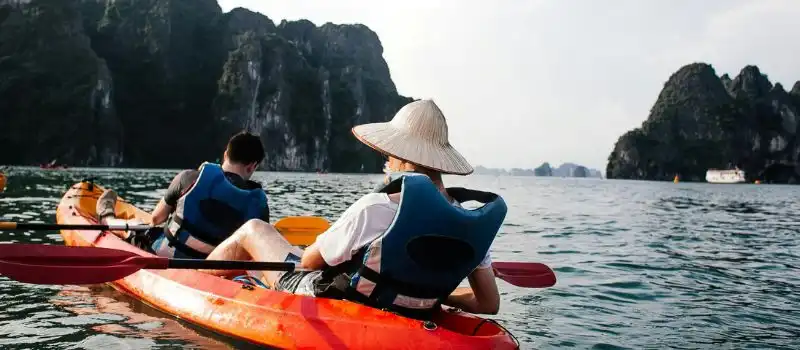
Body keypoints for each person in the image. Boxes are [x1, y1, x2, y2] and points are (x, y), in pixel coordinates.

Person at [204, 99, 507, 319]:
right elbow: (488, 304)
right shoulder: (471, 222)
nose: (386, 160)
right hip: (412, 306)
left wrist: (313, 247)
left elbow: (308, 263)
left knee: (255, 230)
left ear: (401, 156)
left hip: (342, 300)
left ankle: (196, 280)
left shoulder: (377, 207)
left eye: (389, 155)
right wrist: (430, 296)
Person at [95, 131, 271, 259]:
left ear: (226, 154)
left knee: (139, 226)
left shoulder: (189, 178)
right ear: (252, 166)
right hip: (213, 270)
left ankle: (107, 219)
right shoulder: (259, 204)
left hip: (166, 254)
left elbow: (156, 218)